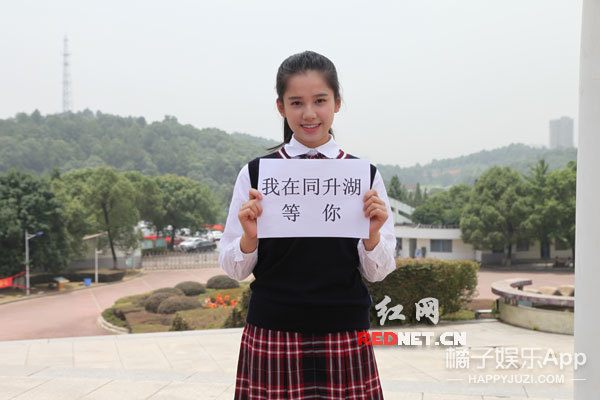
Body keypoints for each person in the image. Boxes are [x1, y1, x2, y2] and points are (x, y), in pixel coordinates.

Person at [219, 51, 396, 400]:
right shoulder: (256, 174)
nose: (309, 113)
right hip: (274, 328)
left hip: (344, 329)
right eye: (296, 102)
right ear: (281, 107)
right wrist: (250, 239)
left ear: (337, 103)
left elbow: (377, 272)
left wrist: (373, 234)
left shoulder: (363, 175)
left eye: (320, 100)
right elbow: (234, 269)